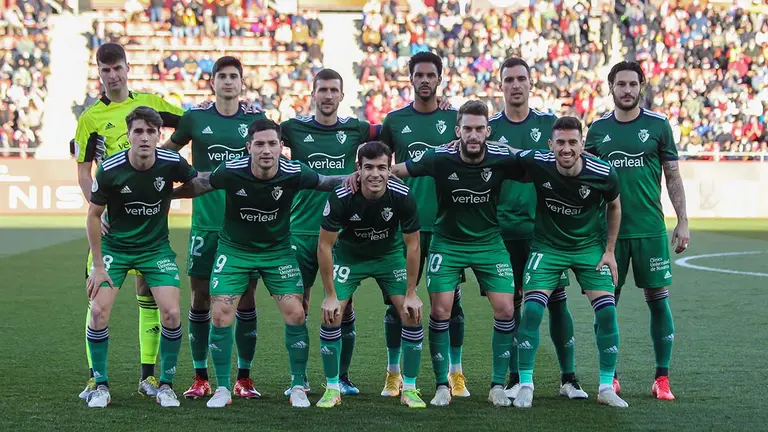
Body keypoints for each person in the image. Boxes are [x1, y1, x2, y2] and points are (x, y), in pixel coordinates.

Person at [350, 100, 523, 407]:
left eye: (479, 129)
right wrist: (362, 176)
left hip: (488, 242)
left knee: (506, 310)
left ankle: (497, 385)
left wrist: (580, 157)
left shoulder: (501, 156)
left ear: (488, 131)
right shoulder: (440, 155)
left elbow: (540, 162)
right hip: (448, 243)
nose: (473, 135)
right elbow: (399, 169)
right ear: (458, 131)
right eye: (467, 129)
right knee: (441, 310)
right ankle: (442, 384)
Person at [171, 118, 349, 408]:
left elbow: (326, 182)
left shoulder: (294, 171)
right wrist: (166, 194)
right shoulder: (231, 170)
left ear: (281, 147)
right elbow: (200, 185)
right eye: (260, 144)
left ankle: (297, 386)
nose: (266, 150)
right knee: (220, 314)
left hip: (277, 252)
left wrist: (358, 177)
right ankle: (222, 389)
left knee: (296, 313)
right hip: (234, 250)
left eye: (272, 143)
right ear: (248, 147)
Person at [73, 42, 185, 401]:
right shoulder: (90, 119)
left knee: (150, 297)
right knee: (97, 302)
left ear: (127, 68)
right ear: (99, 73)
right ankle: (96, 380)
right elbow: (83, 171)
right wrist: (97, 205)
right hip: (114, 226)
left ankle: (149, 378)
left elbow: (190, 123)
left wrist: (165, 156)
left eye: (117, 68)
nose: (112, 75)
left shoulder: (151, 103)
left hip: (149, 227)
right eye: (105, 70)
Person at [585, 61, 689, 400]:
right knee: (606, 305)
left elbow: (672, 175)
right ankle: (610, 376)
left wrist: (683, 220)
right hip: (608, 236)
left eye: (633, 84)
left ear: (641, 86)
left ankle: (662, 378)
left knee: (658, 303)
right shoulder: (597, 130)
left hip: (649, 230)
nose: (627, 90)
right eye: (621, 84)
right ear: (611, 87)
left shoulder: (658, 125)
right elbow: (585, 181)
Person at [163, 56, 266, 400]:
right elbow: (168, 154)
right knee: (201, 296)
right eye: (222, 76)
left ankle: (244, 378)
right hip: (205, 224)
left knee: (246, 296)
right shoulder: (195, 118)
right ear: (213, 82)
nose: (228, 81)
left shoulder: (255, 120)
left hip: (245, 223)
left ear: (241, 82)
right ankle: (200, 376)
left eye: (234, 76)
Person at [84, 106, 199, 408]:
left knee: (171, 313)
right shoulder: (110, 168)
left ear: (159, 135)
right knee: (98, 312)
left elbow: (196, 182)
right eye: (138, 131)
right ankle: (100, 385)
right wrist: (98, 265)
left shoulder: (172, 161)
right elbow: (93, 216)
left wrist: (173, 194)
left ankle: (166, 385)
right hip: (116, 249)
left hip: (155, 249)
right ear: (129, 135)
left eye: (151, 132)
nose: (145, 137)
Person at [511, 116, 626, 408]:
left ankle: (606, 387)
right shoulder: (538, 162)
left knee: (607, 312)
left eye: (573, 142)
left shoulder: (603, 173)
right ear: (550, 145)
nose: (566, 148)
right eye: (560, 142)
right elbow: (508, 154)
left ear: (582, 144)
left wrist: (609, 250)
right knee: (532, 309)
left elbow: (614, 206)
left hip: (588, 248)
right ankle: (526, 384)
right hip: (548, 247)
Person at [488, 57, 584, 400]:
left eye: (521, 79)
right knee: (511, 306)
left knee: (557, 301)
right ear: (500, 85)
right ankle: (515, 377)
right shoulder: (488, 128)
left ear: (531, 83)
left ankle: (568, 378)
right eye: (509, 80)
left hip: (545, 232)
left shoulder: (549, 124)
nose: (516, 85)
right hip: (502, 231)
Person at [279, 68, 376, 396]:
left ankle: (342, 377)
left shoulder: (357, 129)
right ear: (313, 94)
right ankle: (300, 378)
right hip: (302, 230)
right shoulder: (292, 128)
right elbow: (259, 135)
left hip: (342, 233)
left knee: (344, 304)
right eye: (323, 89)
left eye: (334, 90)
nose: (328, 95)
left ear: (342, 95)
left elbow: (393, 134)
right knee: (299, 304)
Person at [377, 51, 468, 398]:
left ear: (440, 79)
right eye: (420, 75)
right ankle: (394, 372)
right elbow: (379, 163)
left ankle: (455, 373)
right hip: (405, 225)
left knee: (451, 303)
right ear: (411, 79)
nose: (425, 80)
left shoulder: (454, 118)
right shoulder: (394, 120)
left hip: (447, 225)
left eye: (431, 75)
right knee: (397, 302)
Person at [315, 141, 426, 409]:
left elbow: (413, 245)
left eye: (381, 168)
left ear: (390, 169)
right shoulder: (342, 196)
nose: (375, 174)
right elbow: (324, 246)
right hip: (350, 257)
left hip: (388, 256)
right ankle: (332, 388)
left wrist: (412, 292)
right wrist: (329, 295)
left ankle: (409, 388)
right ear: (358, 169)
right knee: (332, 314)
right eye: (368, 168)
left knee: (411, 313)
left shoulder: (402, 195)